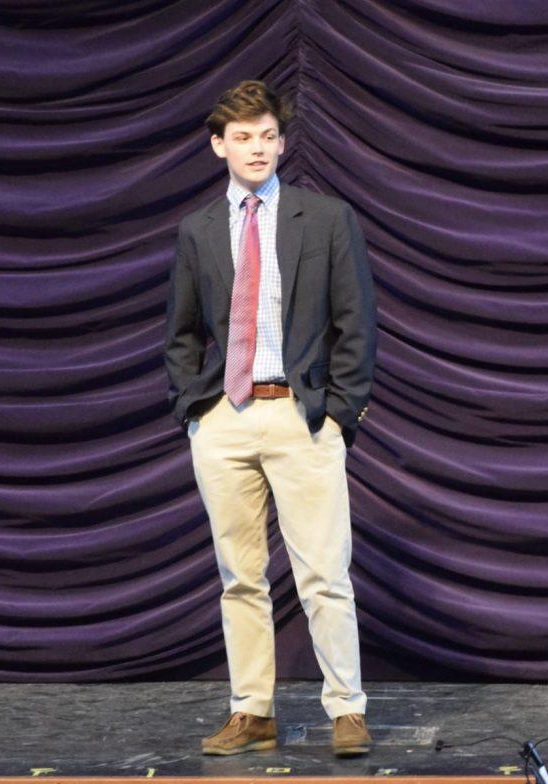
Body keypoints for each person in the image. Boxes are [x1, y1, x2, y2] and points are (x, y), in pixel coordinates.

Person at [164, 80, 375, 757]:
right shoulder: (197, 230)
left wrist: (339, 415)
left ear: (282, 145)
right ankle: (252, 713)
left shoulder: (327, 218)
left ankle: (347, 709)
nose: (256, 148)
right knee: (240, 576)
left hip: (301, 417)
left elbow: (356, 325)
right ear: (218, 146)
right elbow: (183, 332)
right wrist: (198, 413)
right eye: (242, 137)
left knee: (323, 574)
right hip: (225, 418)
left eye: (267, 137)